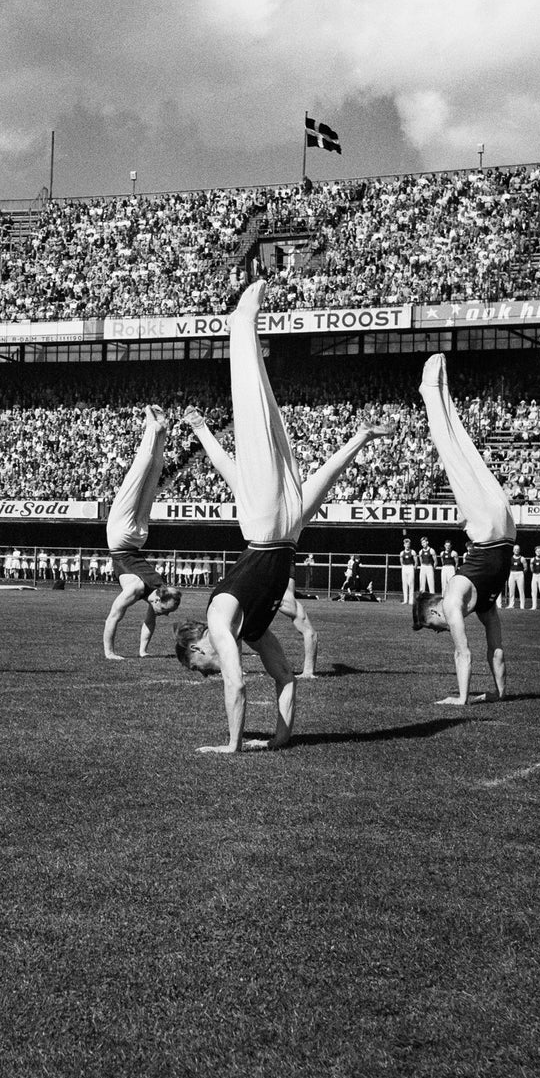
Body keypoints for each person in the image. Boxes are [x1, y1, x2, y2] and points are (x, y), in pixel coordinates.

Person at [175, 281, 395, 751]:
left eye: (202, 668)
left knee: (256, 421)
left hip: (265, 531)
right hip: (287, 531)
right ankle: (360, 436)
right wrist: (277, 740)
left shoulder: (219, 619)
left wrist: (231, 746)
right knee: (276, 430)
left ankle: (241, 325)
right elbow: (286, 678)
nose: (210, 672)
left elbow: (237, 685)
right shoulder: (250, 628)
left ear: (199, 649)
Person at [410, 354, 515, 706]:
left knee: (456, 452)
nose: (442, 630)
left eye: (434, 627)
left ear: (435, 611)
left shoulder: (455, 599)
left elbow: (465, 653)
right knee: (461, 452)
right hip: (490, 528)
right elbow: (495, 650)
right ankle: (437, 391)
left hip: (498, 528)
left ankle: (432, 391)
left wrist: (462, 698)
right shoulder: (480, 603)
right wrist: (498, 696)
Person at [103, 405, 184, 659]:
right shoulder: (139, 589)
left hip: (137, 537)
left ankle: (160, 430)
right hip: (121, 537)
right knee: (138, 476)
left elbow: (150, 622)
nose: (166, 614)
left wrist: (143, 651)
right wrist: (109, 653)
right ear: (159, 600)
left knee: (149, 477)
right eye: (166, 610)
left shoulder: (158, 588)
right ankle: (154, 428)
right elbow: (113, 616)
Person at [399, 536, 418, 606]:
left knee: (411, 584)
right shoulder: (402, 553)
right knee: (404, 584)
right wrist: (404, 567)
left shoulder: (412, 552)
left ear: (409, 544)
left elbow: (416, 562)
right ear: (404, 545)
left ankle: (411, 600)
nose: (407, 545)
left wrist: (414, 568)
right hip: (404, 567)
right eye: (405, 544)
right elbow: (401, 562)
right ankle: (405, 600)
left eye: (408, 544)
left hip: (410, 567)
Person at [506, 544, 527, 609]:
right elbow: (508, 567)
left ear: (519, 550)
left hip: (520, 574)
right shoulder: (510, 558)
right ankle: (511, 605)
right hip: (512, 573)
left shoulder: (522, 558)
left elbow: (525, 568)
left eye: (517, 549)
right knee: (511, 590)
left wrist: (521, 574)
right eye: (515, 549)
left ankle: (522, 605)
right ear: (513, 550)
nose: (516, 551)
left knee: (521, 590)